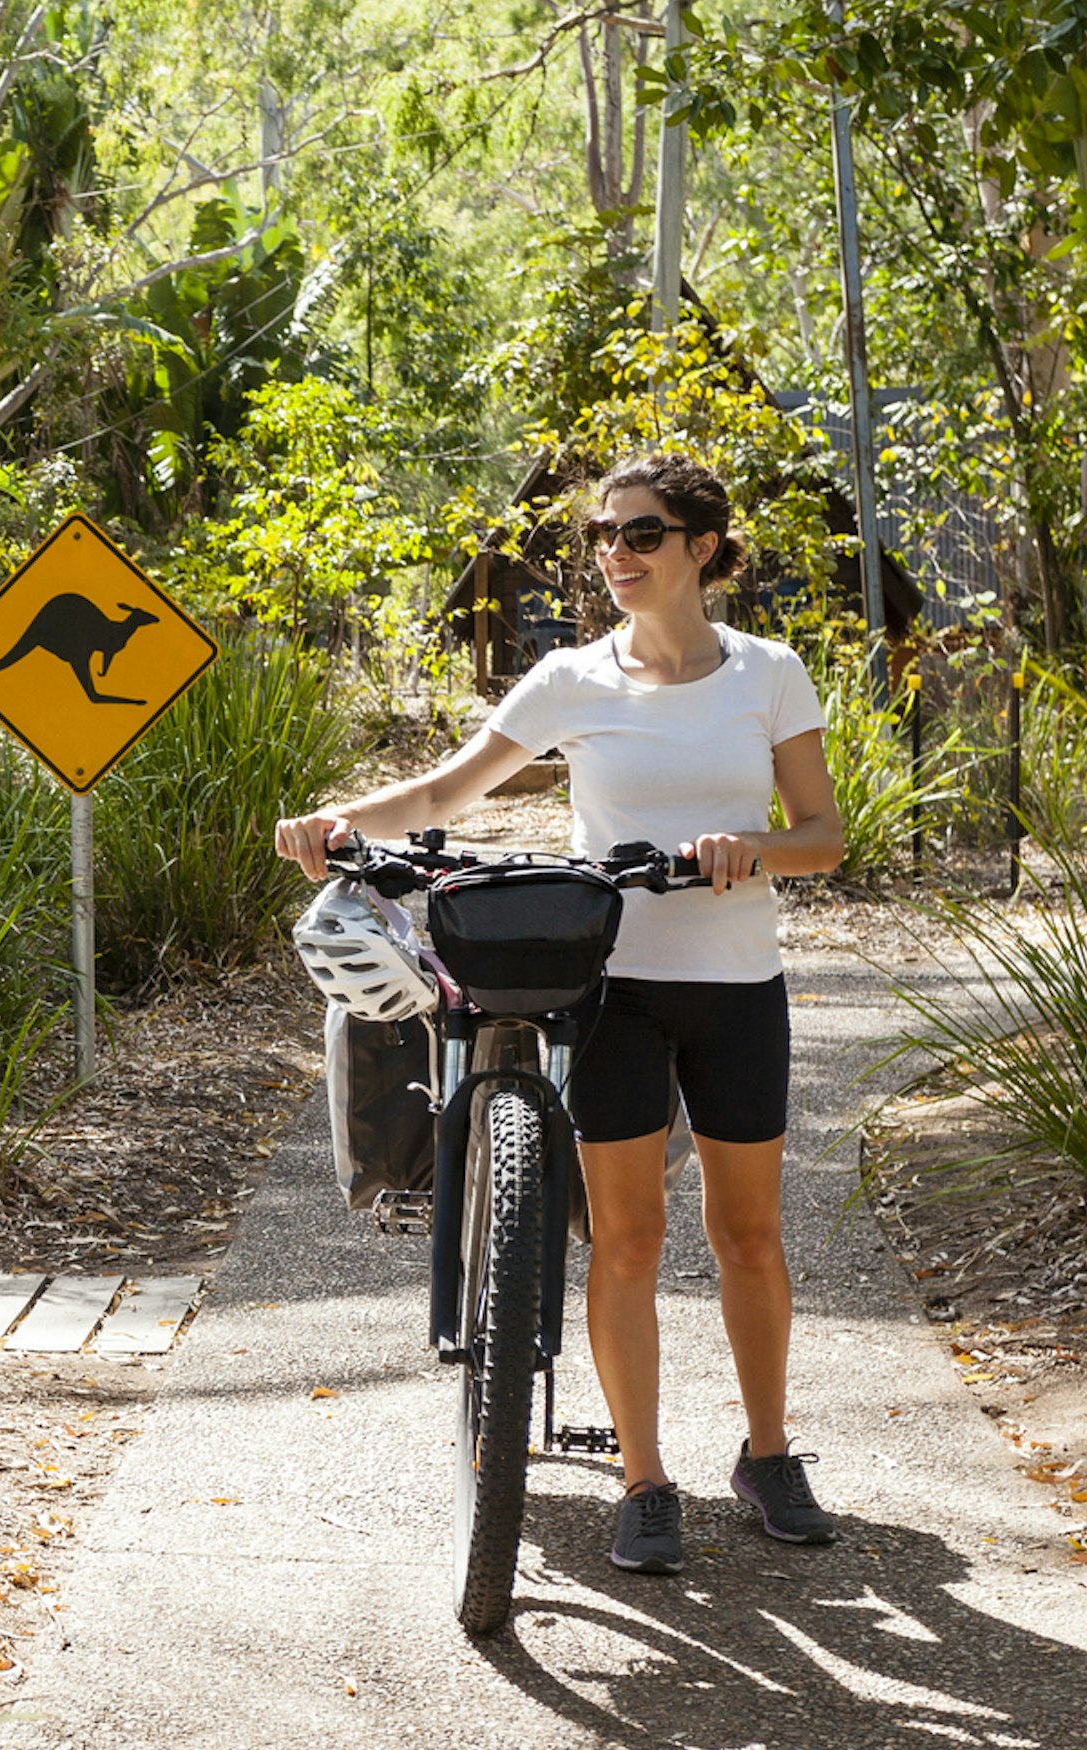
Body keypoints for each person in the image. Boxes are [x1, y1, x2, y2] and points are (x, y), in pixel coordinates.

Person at [272, 451, 845, 1574]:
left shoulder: (769, 674)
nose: (613, 554)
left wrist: (752, 848)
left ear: (701, 548)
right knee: (628, 1239)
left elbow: (822, 834)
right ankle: (644, 1478)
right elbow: (446, 791)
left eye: (639, 533)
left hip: (738, 989)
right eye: (601, 535)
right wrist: (337, 817)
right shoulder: (574, 680)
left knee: (750, 1237)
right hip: (612, 990)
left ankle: (768, 1454)